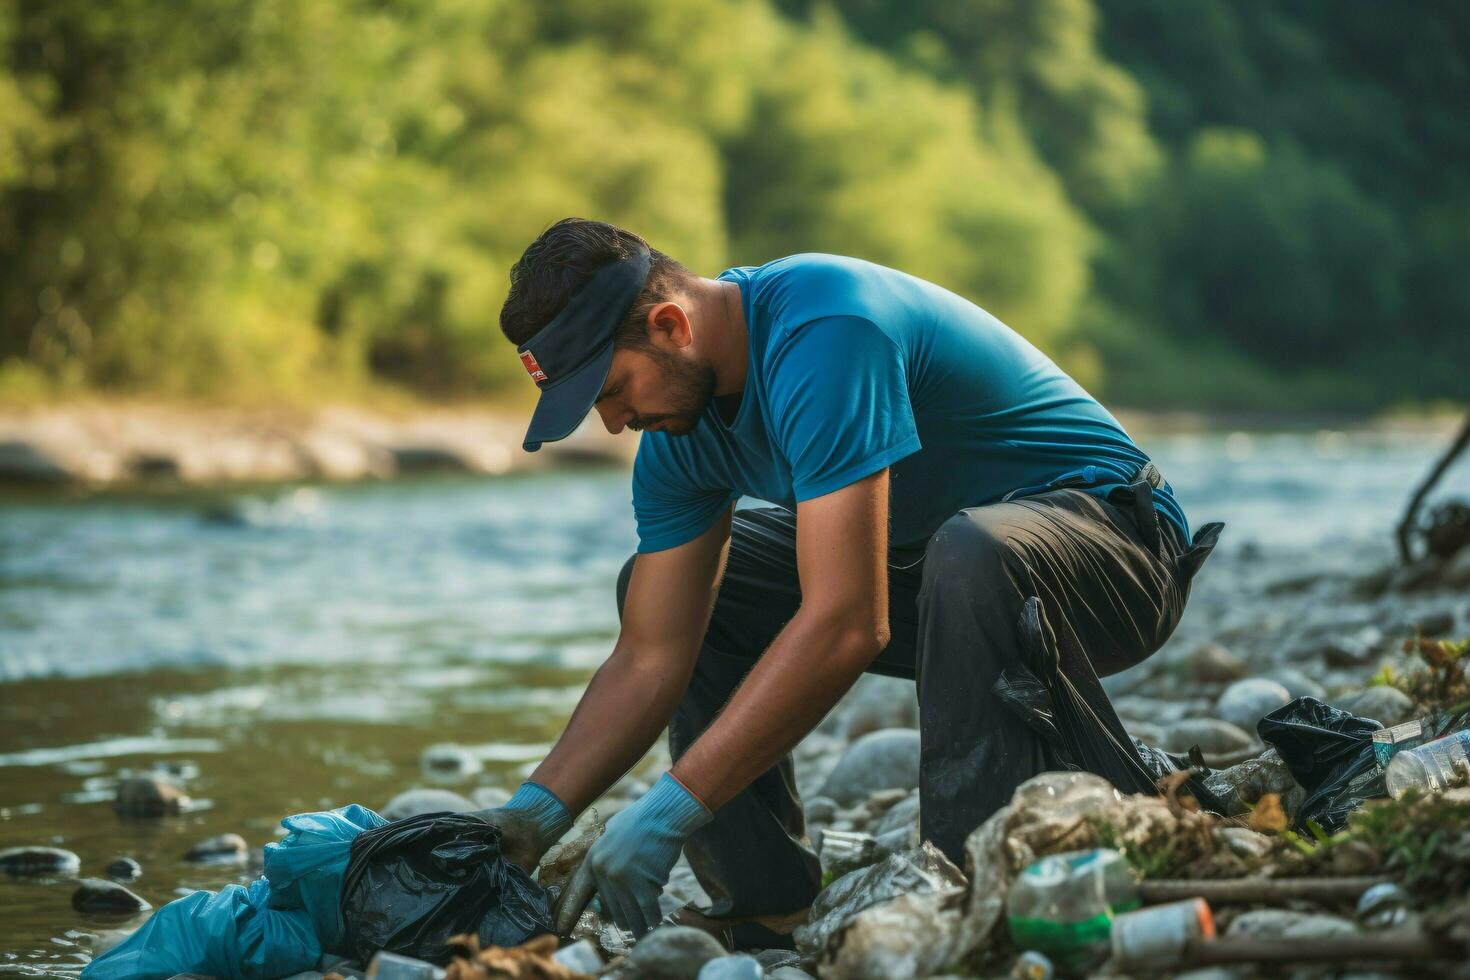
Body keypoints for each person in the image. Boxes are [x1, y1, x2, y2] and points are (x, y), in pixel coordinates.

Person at [473, 217, 1221, 944]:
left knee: (971, 551)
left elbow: (849, 622)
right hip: (947, 573)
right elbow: (650, 654)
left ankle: (965, 894)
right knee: (678, 585)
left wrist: (671, 807)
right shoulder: (677, 436)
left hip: (1119, 549)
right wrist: (531, 818)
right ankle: (765, 903)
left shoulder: (826, 329)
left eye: (609, 389)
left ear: (671, 326)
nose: (611, 423)